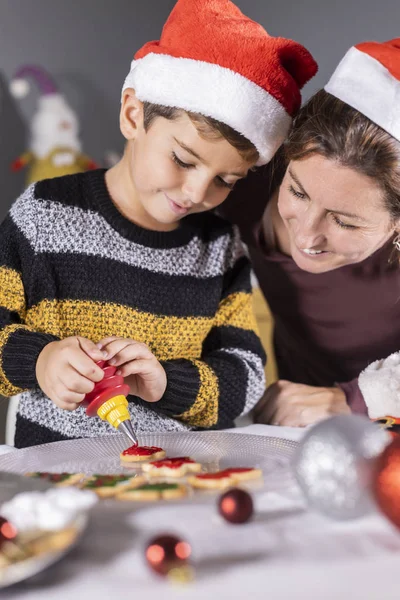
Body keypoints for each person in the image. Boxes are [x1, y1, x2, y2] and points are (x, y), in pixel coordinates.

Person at [0, 0, 317, 447]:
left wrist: (166, 383)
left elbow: (245, 375)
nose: (196, 194)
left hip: (185, 474)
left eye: (226, 181)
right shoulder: (45, 213)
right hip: (59, 476)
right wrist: (40, 360)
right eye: (183, 160)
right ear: (133, 115)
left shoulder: (220, 248)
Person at [222, 38, 400, 428]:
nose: (306, 236)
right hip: (291, 442)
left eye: (344, 221)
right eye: (298, 192)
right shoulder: (243, 185)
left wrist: (352, 400)